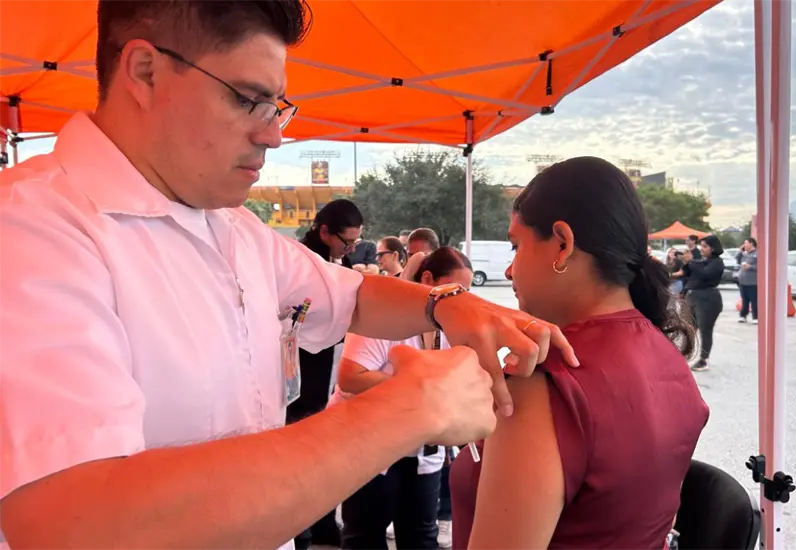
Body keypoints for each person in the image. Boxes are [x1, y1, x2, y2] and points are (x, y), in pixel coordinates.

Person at [0, 2, 580, 550]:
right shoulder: (31, 227)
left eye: (276, 106)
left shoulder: (229, 225)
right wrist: (406, 410)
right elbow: (69, 519)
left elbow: (350, 297)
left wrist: (446, 304)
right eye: (248, 99)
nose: (273, 134)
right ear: (145, 71)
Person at [449, 157, 709, 550]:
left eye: (516, 246)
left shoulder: (545, 382)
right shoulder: (668, 355)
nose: (509, 271)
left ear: (562, 243)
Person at [331, 247, 473, 550]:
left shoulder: (452, 327)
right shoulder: (385, 318)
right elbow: (351, 377)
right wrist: (418, 387)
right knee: (365, 536)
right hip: (370, 446)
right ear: (427, 280)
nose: (465, 300)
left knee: (421, 536)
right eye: (457, 291)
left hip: (423, 450)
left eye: (468, 292)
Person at [289, 199, 363, 549]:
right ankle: (303, 532)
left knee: (322, 459)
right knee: (300, 463)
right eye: (345, 242)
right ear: (323, 231)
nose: (350, 249)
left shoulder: (343, 261)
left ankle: (322, 525)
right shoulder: (300, 262)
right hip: (299, 381)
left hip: (329, 377)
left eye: (354, 243)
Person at [679, 235, 725, 371]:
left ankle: (704, 359)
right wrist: (686, 263)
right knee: (687, 327)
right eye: (701, 246)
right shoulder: (701, 261)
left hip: (708, 299)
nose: (702, 249)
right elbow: (690, 275)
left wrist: (691, 263)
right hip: (692, 296)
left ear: (713, 248)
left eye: (705, 246)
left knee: (705, 330)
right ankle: (684, 354)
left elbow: (705, 275)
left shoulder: (717, 262)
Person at [736, 238, 758, 324]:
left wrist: (750, 267)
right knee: (744, 299)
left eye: (746, 243)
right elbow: (737, 260)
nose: (744, 245)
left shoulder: (757, 254)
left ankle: (755, 317)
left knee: (754, 300)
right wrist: (740, 251)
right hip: (743, 281)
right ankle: (742, 315)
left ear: (751, 244)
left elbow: (760, 266)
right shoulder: (744, 254)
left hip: (753, 281)